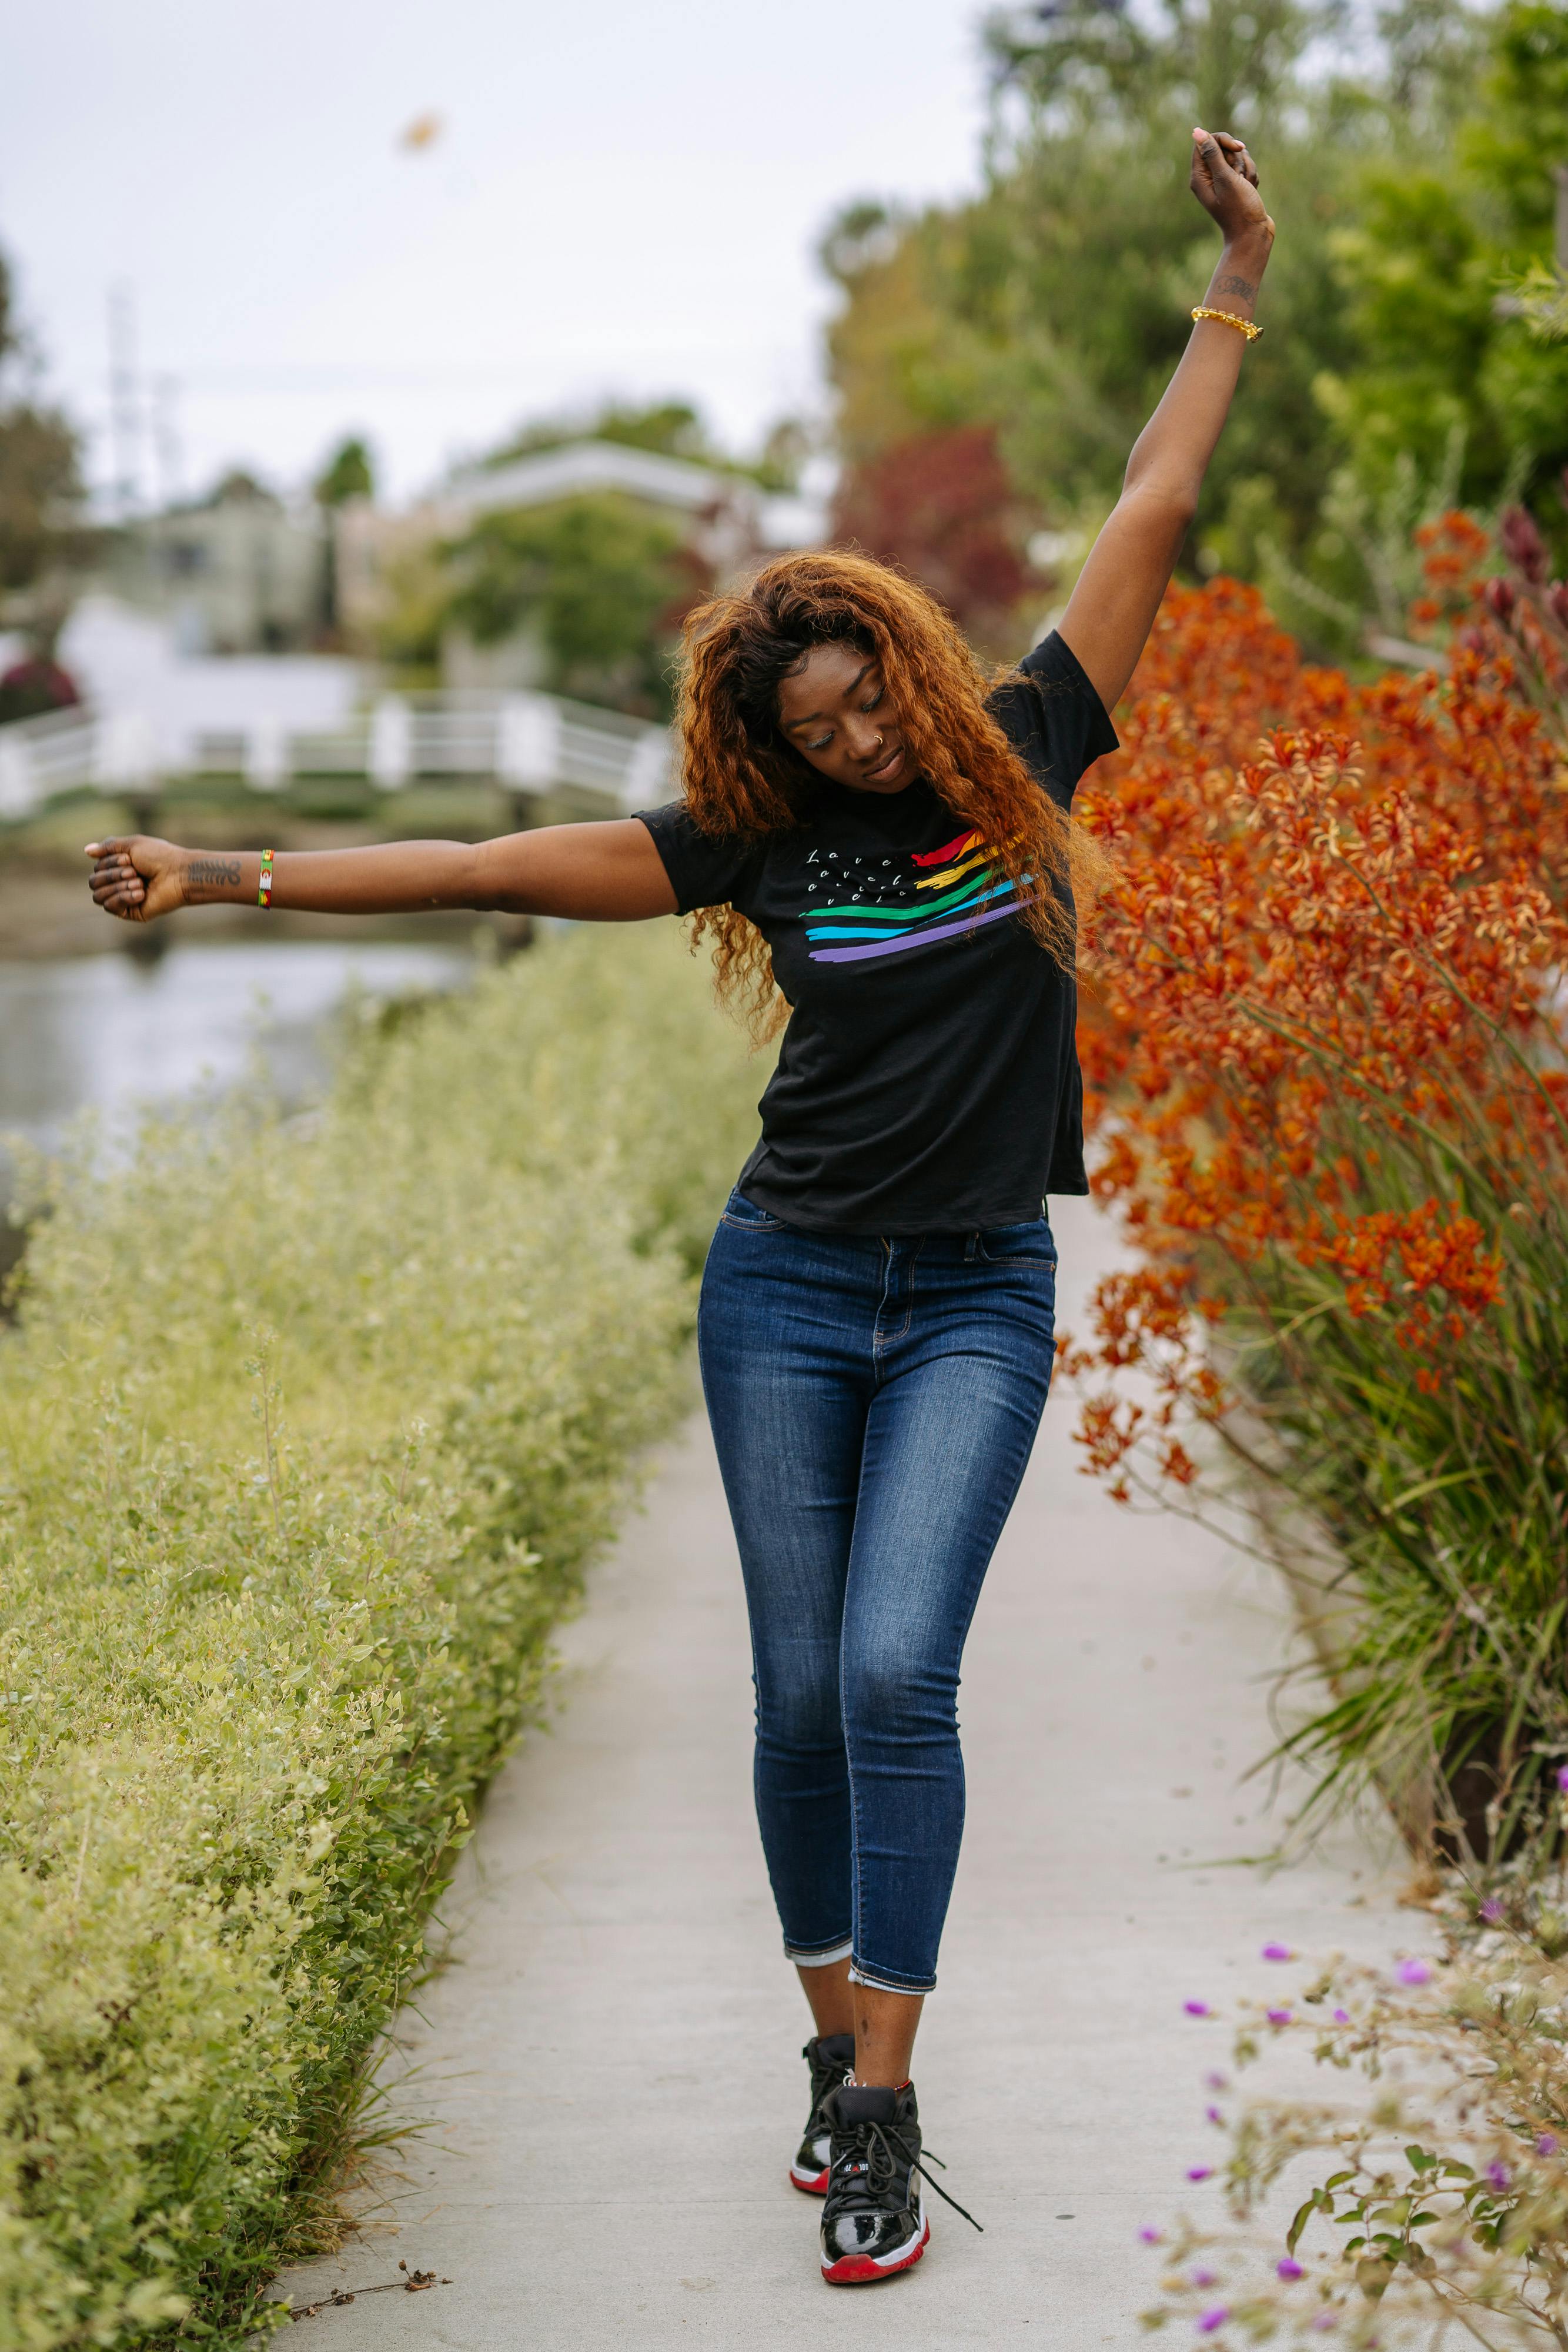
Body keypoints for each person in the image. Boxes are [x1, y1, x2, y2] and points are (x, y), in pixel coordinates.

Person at [87, 128, 1273, 2290]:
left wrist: (1231, 290)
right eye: (813, 731)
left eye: (870, 698)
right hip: (791, 1287)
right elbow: (471, 869)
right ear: (775, 753)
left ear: (919, 668)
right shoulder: (750, 854)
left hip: (979, 1299)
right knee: (798, 1696)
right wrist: (222, 871)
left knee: (902, 1678)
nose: (858, 741)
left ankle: (890, 2107)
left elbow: (1148, 510)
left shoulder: (1032, 742)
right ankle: (831, 2054)